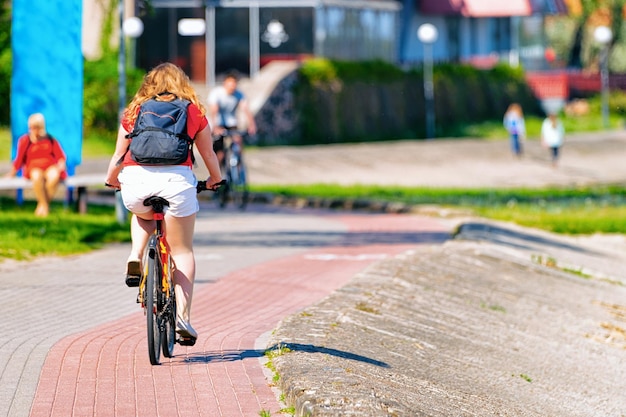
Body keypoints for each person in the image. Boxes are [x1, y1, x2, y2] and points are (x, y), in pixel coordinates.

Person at [104, 62, 223, 344]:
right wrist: (215, 180)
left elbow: (119, 156)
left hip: (137, 181)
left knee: (142, 214)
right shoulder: (193, 111)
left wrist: (113, 180)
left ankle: (135, 255)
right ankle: (183, 317)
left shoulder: (134, 111)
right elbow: (208, 155)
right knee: (182, 251)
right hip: (177, 184)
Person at [4, 113, 67, 217]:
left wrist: (61, 164)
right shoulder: (25, 140)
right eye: (31, 127)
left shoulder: (50, 139)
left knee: (54, 175)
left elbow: (60, 156)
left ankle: (42, 205)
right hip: (33, 167)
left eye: (36, 127)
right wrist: (12, 173)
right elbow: (19, 159)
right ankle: (45, 207)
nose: (33, 130)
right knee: (37, 176)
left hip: (49, 165)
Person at [207, 72, 257, 163]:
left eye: (234, 85)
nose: (232, 88)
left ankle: (238, 167)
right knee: (219, 153)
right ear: (224, 84)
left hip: (231, 122)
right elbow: (214, 110)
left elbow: (245, 109)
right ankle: (218, 174)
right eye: (230, 85)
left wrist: (252, 124)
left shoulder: (239, 94)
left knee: (238, 142)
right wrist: (215, 126)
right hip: (218, 122)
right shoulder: (216, 93)